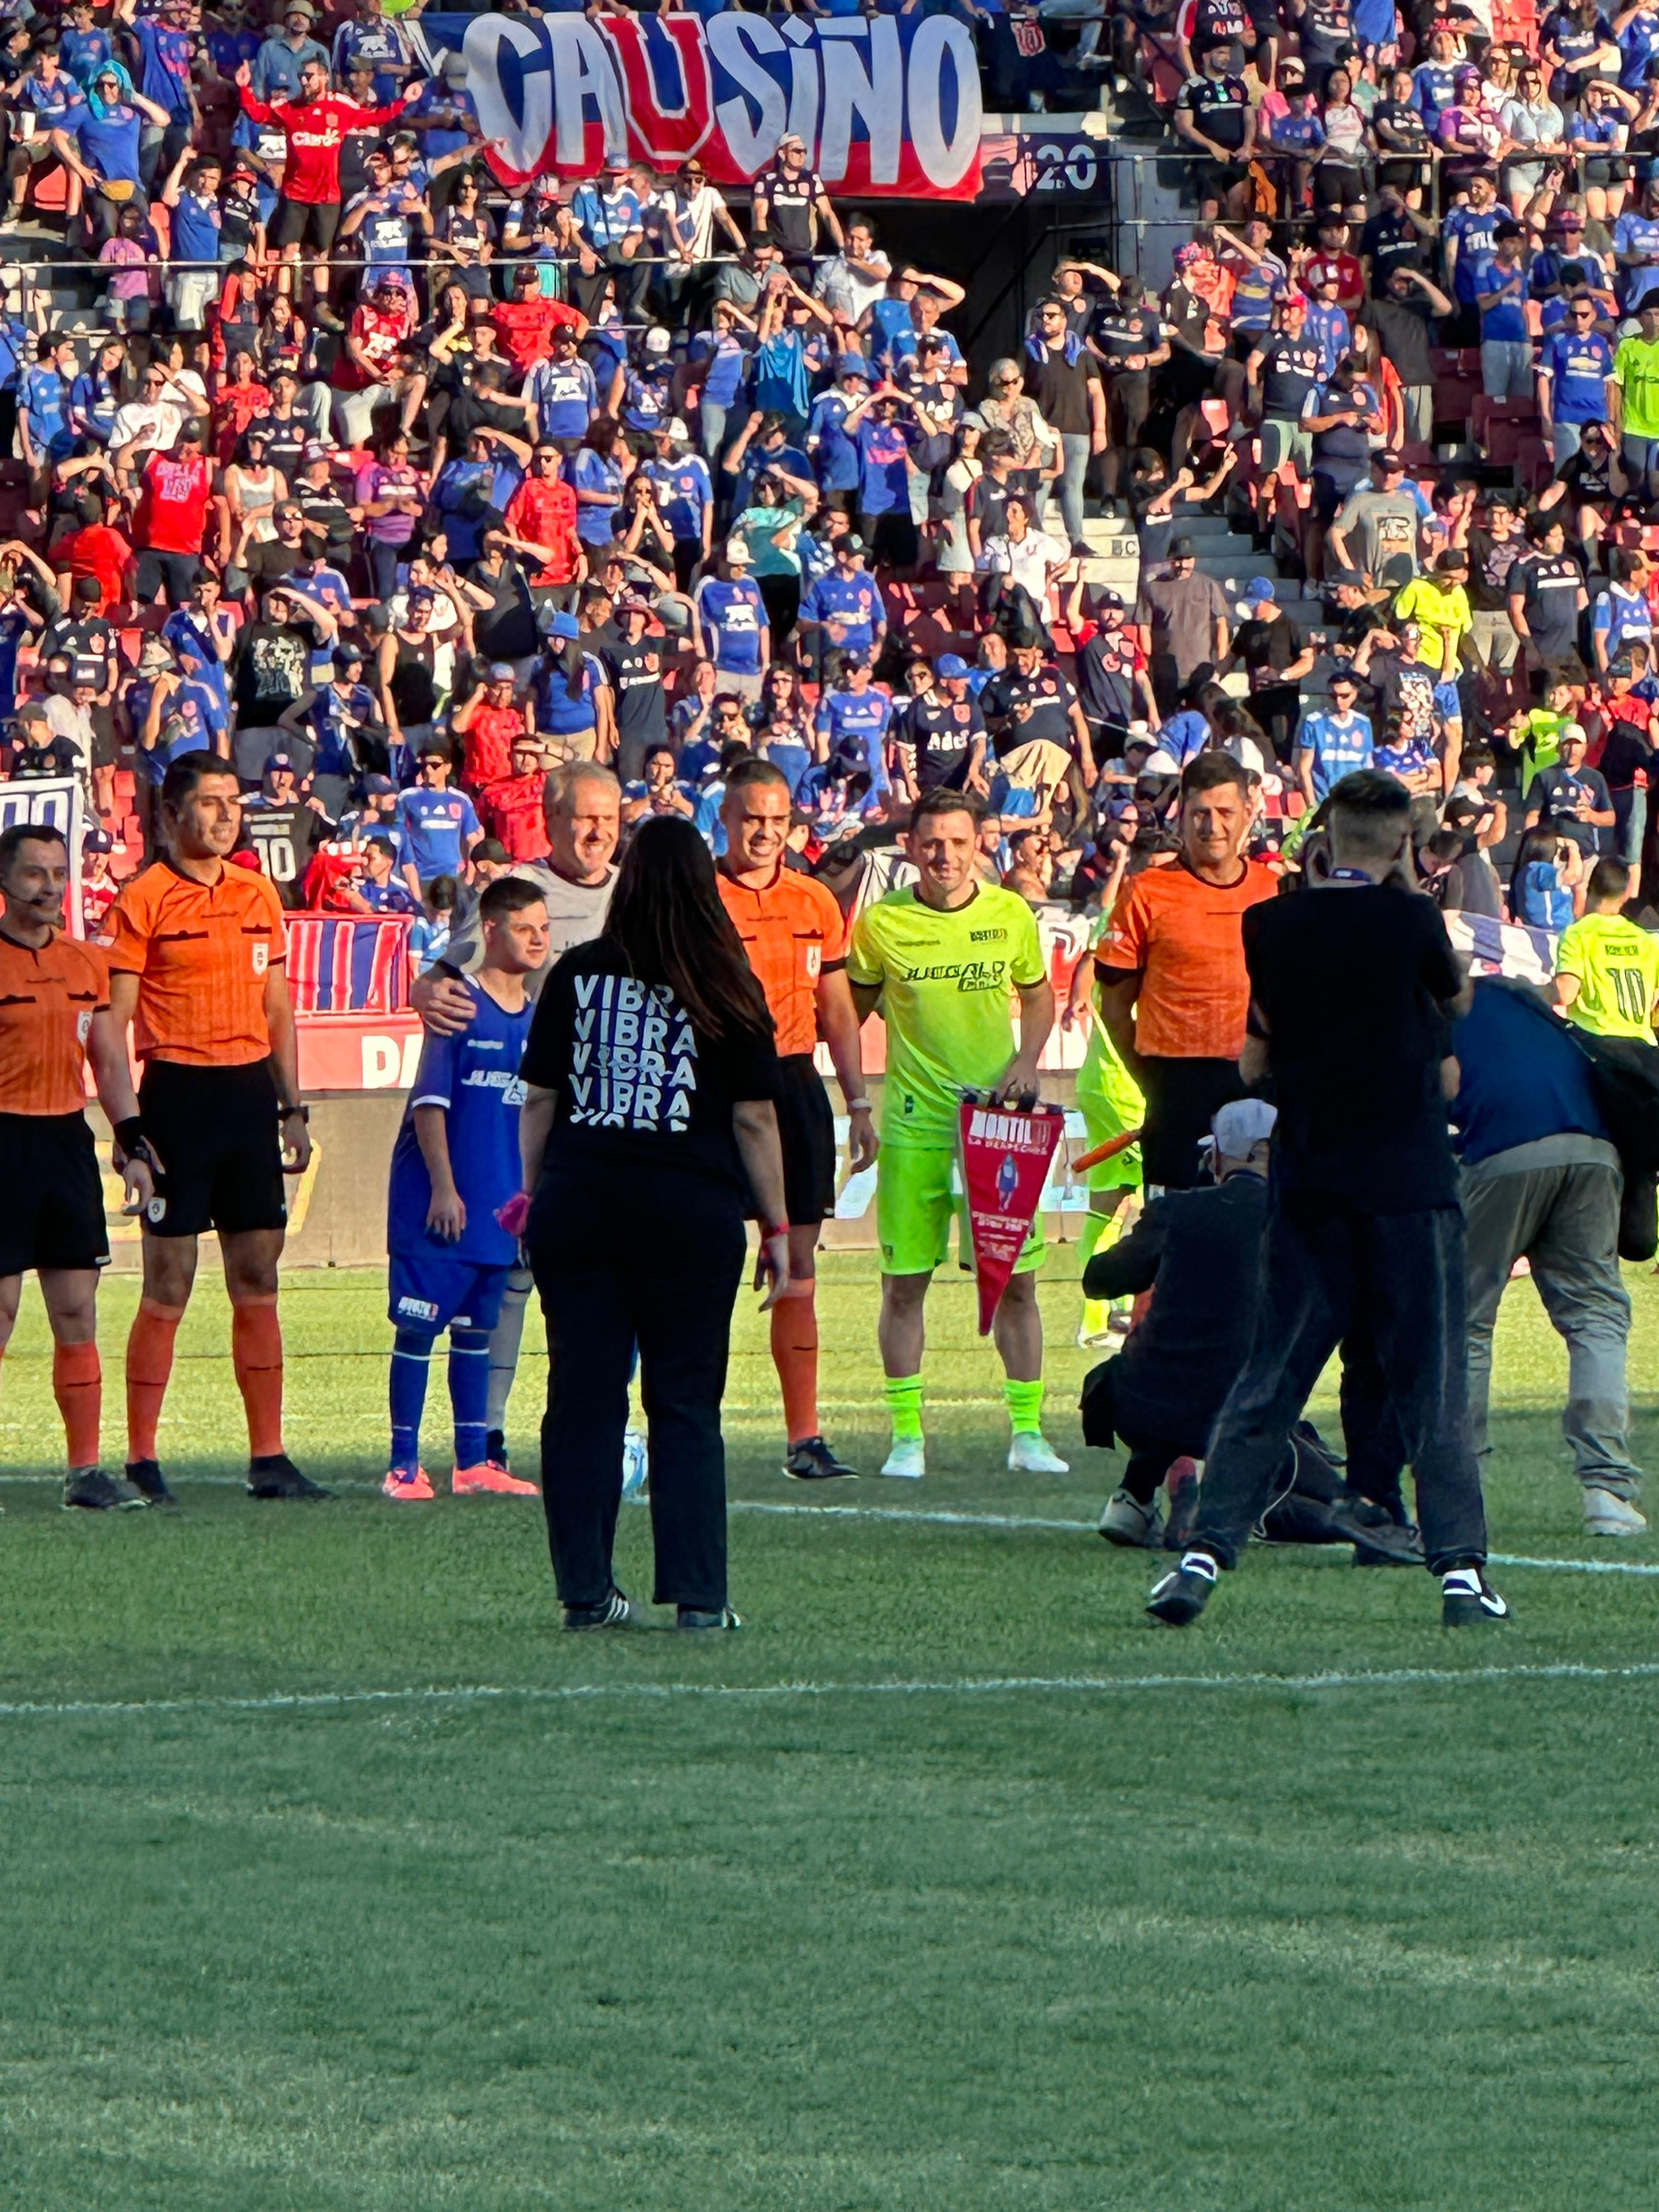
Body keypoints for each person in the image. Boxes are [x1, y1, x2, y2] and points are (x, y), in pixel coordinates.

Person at [1146, 771, 1506, 1630]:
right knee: (1432, 1382)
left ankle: (1203, 1556)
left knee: (1271, 1378)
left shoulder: (1269, 924)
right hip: (1409, 1185)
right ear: (1403, 844)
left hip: (1310, 1184)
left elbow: (1254, 1062)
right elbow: (1457, 998)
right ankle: (1461, 1574)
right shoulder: (1413, 920)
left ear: (1327, 837)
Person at [516, 815, 789, 1633]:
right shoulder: (728, 983)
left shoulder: (577, 973)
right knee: (686, 1403)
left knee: (582, 1400)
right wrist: (778, 1227)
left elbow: (540, 1100)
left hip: (583, 1202)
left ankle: (585, 1591)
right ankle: (699, 1597)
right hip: (691, 1212)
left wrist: (533, 1197)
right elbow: (754, 1120)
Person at [99, 751, 322, 1503]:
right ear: (171, 815)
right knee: (169, 1281)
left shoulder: (258, 893)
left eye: (234, 801)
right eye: (210, 802)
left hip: (249, 1097)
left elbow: (278, 1011)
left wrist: (291, 1107)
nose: (227, 816)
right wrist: (129, 1130)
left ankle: (269, 1457)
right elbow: (112, 1027)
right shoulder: (142, 901)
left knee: (258, 1277)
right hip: (178, 1098)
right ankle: (141, 1458)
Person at [846, 786, 1065, 1480]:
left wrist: (1026, 1062)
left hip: (997, 1132)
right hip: (915, 1130)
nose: (945, 856)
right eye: (932, 843)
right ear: (911, 847)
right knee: (904, 1285)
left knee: (1019, 1284)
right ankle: (907, 1438)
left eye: (959, 842)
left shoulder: (1009, 915)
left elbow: (1038, 994)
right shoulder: (882, 923)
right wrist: (856, 1101)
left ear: (980, 846)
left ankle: (1028, 1434)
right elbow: (847, 1011)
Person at [414, 761, 621, 1474]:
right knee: (511, 1279)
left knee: (608, 1283)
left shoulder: (633, 894)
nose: (597, 833)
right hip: (532, 1116)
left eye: (608, 819)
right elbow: (443, 976)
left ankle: (604, 1426)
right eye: (584, 818)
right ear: (551, 820)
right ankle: (490, 1434)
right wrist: (426, 991)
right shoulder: (518, 896)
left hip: (615, 1120)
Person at [714, 759, 877, 1480]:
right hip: (715, 1088)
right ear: (725, 818)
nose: (765, 833)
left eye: (777, 821)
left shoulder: (815, 899)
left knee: (799, 1263)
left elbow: (836, 1007)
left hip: (794, 1082)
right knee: (705, 1260)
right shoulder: (700, 897)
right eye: (752, 818)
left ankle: (803, 1438)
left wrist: (859, 1102)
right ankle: (679, 1428)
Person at [1453, 974, 1646, 1539]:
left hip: (1503, 1147)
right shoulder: (1525, 1008)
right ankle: (1608, 1491)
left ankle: (1462, 1491)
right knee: (1595, 1315)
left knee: (1466, 1320)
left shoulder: (1437, 1014)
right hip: (1593, 1147)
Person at [0, 823, 155, 1509]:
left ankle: (85, 1472)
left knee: (75, 1308)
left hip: (65, 1143)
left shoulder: (88, 963)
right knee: (1, 1309)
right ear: (4, 881)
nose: (50, 887)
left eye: (59, 874)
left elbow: (109, 1061)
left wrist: (133, 1140)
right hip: (3, 1144)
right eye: (35, 873)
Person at [383, 877, 549, 1503]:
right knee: (418, 1331)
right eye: (524, 928)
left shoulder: (537, 1018)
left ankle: (473, 1462)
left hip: (499, 1209)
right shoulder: (457, 1004)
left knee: (477, 1335)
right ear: (492, 931)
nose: (537, 940)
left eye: (544, 929)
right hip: (439, 1205)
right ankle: (403, 1465)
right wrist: (444, 1190)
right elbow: (430, 1104)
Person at [1094, 754, 1277, 1193]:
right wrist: (1152, 1080)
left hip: (1258, 1082)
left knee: (1258, 1222)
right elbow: (1114, 1007)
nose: (1213, 826)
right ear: (1182, 815)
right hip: (1175, 1086)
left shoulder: (1274, 890)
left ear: (1247, 813)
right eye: (1200, 813)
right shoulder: (1146, 892)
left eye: (1225, 812)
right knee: (1173, 1224)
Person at [1554, 856, 1659, 1036]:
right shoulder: (1647, 940)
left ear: (1590, 887)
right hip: (1641, 1044)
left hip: (1594, 1039)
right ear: (1624, 896)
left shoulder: (1578, 934)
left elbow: (1565, 994)